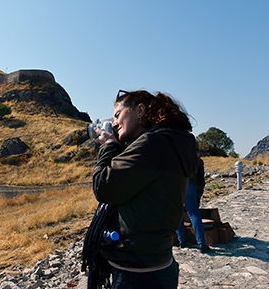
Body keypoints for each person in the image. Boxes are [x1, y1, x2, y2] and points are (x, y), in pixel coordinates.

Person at [83, 90, 198, 289]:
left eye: (118, 114)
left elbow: (104, 188)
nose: (115, 122)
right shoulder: (170, 142)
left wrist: (109, 145)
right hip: (157, 262)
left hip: (136, 273)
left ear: (140, 110)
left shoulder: (151, 144)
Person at [176, 155, 211, 253]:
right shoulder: (196, 158)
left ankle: (182, 241)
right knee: (194, 213)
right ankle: (202, 244)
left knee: (178, 212)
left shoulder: (174, 156)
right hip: (191, 183)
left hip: (176, 184)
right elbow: (201, 180)